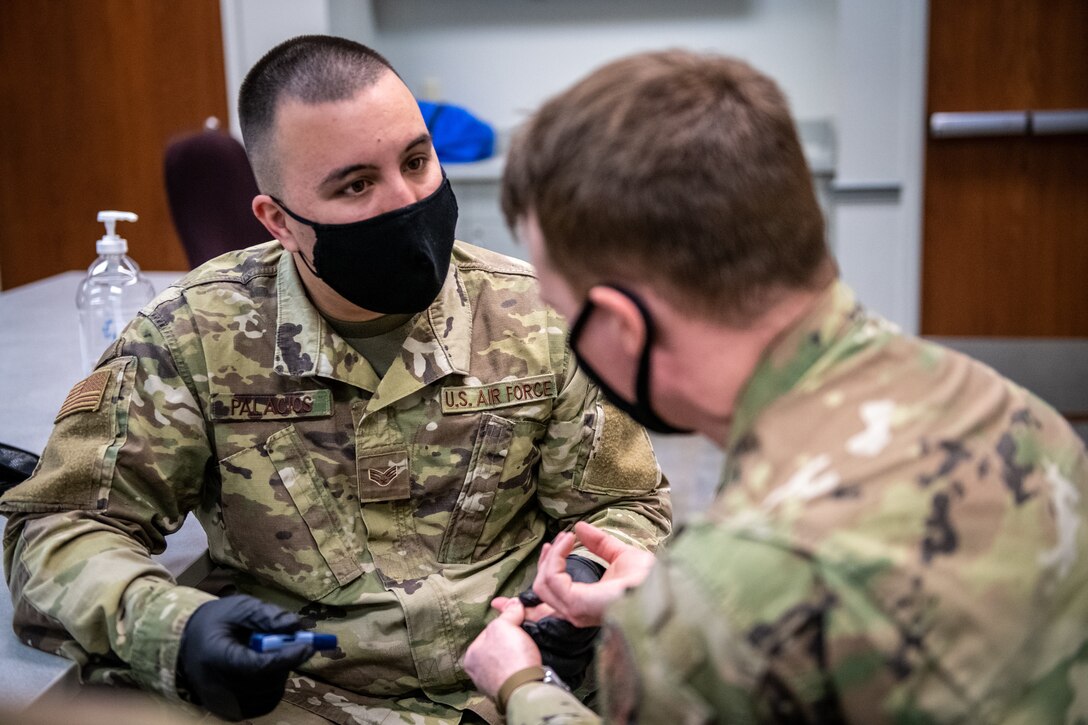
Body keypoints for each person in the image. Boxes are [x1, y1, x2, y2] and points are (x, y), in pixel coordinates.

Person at [0, 36, 672, 724]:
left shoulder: (536, 313)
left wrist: (581, 586)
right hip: (309, 700)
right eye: (356, 185)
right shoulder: (194, 335)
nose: (406, 200)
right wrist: (177, 628)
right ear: (279, 221)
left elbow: (626, 504)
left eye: (417, 161)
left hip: (528, 682)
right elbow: (60, 527)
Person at [463, 49, 1088, 723]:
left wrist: (523, 686)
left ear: (623, 326)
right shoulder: (1016, 411)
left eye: (564, 311)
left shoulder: (715, 610)